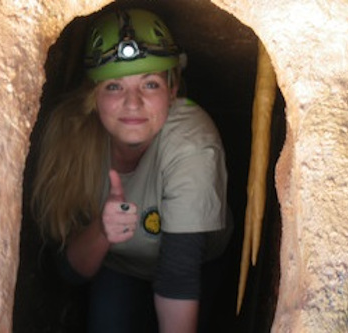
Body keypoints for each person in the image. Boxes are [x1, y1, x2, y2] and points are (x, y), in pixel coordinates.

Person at [31, 7, 232, 333]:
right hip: (120, 266)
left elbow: (178, 275)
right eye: (114, 86)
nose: (133, 102)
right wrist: (102, 230)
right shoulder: (70, 141)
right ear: (93, 95)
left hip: (197, 263)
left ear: (173, 89)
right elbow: (67, 273)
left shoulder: (192, 142)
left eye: (150, 84)